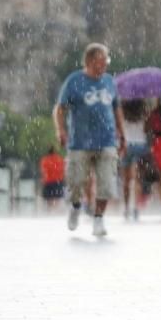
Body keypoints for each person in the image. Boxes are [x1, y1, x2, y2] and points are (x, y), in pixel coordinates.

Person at [55, 43, 126, 238]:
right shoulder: (74, 81)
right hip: (80, 142)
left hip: (107, 141)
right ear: (89, 61)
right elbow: (60, 109)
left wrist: (122, 133)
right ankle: (76, 206)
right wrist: (60, 130)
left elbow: (116, 108)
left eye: (106, 61)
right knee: (76, 182)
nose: (104, 64)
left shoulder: (109, 82)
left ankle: (98, 219)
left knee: (106, 183)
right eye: (101, 60)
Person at [119, 99, 150, 220]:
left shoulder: (121, 111)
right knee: (137, 179)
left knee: (126, 181)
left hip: (126, 146)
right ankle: (136, 207)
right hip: (140, 146)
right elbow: (147, 130)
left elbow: (118, 127)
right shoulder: (143, 111)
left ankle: (126, 208)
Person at [39, 146, 66, 210]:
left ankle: (50, 211)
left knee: (49, 199)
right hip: (58, 181)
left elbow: (43, 171)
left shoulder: (44, 160)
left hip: (48, 182)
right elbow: (63, 170)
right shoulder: (59, 159)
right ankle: (56, 211)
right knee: (57, 198)